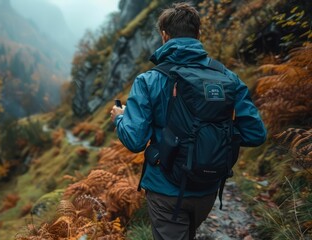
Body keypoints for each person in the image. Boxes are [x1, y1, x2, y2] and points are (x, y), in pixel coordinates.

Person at [110, 2, 267, 240]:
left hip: (165, 190)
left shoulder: (148, 80)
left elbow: (135, 140)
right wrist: (215, 133)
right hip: (208, 187)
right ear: (198, 34)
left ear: (164, 35)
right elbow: (256, 134)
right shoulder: (228, 77)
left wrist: (120, 119)